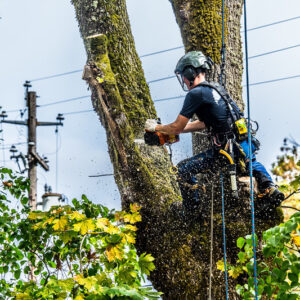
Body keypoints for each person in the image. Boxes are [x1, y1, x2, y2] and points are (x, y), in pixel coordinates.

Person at [144, 51, 284, 212]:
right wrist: (175, 130)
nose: (183, 79)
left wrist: (156, 127)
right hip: (243, 143)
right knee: (250, 163)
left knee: (182, 170)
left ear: (189, 72)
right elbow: (203, 123)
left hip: (226, 151)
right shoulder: (216, 89)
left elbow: (177, 126)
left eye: (183, 75)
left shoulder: (195, 94)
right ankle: (270, 188)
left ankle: (191, 211)